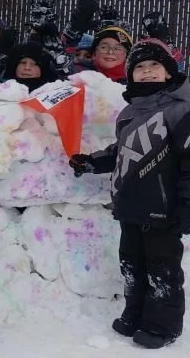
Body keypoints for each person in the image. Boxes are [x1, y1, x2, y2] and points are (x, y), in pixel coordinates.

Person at [69, 38, 190, 349]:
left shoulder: (181, 110)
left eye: (155, 65)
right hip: (131, 207)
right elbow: (122, 151)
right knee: (132, 265)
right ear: (131, 74)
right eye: (140, 67)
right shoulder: (129, 113)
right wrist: (93, 162)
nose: (147, 71)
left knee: (162, 271)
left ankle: (162, 326)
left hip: (163, 211)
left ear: (169, 71)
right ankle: (135, 314)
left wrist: (187, 206)